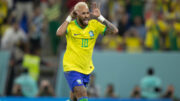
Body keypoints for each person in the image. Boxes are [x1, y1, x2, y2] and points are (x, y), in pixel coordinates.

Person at [56, 1, 118, 101]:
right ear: (77, 14)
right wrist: (69, 17)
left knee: (75, 98)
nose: (86, 16)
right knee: (82, 92)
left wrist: (100, 17)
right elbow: (59, 33)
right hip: (71, 67)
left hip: (86, 69)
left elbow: (114, 31)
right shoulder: (71, 26)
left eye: (87, 13)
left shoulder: (94, 25)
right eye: (83, 13)